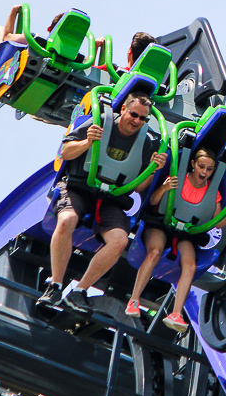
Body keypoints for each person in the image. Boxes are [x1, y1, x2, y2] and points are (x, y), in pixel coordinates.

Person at [36, 91, 167, 314]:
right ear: (124, 109)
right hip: (80, 188)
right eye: (134, 114)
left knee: (120, 241)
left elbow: (139, 187)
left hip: (112, 199)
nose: (136, 121)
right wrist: (88, 142)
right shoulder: (99, 121)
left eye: (142, 118)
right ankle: (55, 285)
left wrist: (153, 170)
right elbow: (65, 152)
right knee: (67, 219)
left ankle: (79, 291)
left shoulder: (146, 142)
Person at [126, 148, 226, 332]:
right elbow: (154, 201)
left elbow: (218, 223)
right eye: (202, 167)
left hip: (186, 233)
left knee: (191, 265)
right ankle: (134, 300)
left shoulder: (213, 192)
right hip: (161, 225)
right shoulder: (179, 178)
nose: (204, 172)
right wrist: (164, 188)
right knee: (155, 252)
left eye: (209, 169)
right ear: (193, 164)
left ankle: (176, 313)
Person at [0, 5, 64, 89]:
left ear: (50, 30)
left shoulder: (35, 41)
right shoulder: (74, 59)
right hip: (50, 80)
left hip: (10, 71)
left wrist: (13, 12)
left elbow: (7, 37)